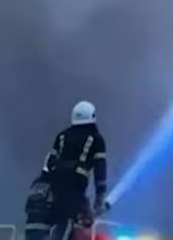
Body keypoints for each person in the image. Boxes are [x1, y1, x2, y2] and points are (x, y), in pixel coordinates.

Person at [31, 100, 111, 240]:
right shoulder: (96, 139)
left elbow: (49, 163)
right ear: (92, 116)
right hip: (74, 189)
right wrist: (100, 198)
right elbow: (100, 170)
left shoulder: (62, 136)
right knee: (72, 223)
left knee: (53, 224)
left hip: (53, 188)